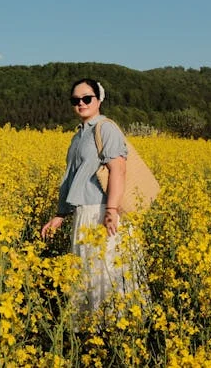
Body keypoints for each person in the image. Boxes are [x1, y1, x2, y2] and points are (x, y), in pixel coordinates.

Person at [41, 78, 137, 315]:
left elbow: (118, 169)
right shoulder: (79, 135)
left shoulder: (105, 128)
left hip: (103, 212)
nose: (81, 103)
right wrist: (60, 215)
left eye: (87, 98)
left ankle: (115, 332)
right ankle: (91, 334)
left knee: (105, 275)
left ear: (99, 99)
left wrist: (112, 210)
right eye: (76, 100)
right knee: (86, 276)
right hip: (84, 213)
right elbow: (72, 178)